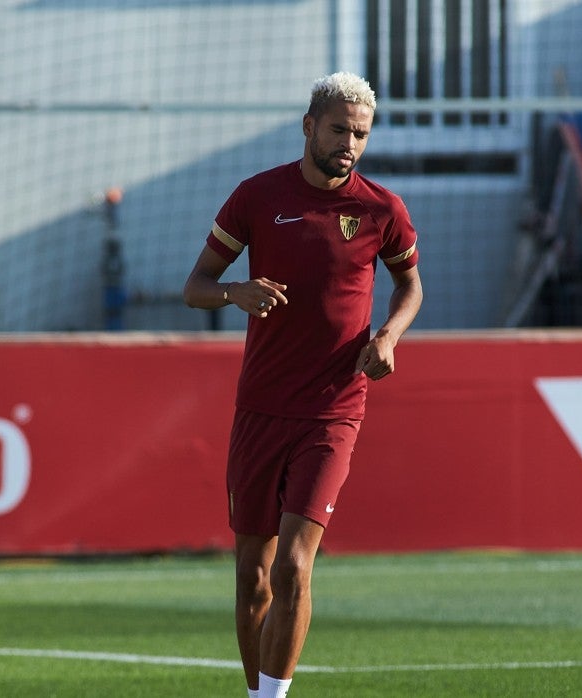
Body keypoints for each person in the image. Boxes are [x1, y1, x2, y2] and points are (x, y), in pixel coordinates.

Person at [182, 72, 423, 698]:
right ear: (309, 125)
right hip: (260, 408)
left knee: (293, 566)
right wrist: (236, 291)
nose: (350, 143)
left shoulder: (381, 209)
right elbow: (197, 285)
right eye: (340, 129)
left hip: (333, 410)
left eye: (361, 134)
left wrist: (390, 336)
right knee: (253, 579)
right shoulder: (258, 197)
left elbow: (410, 284)